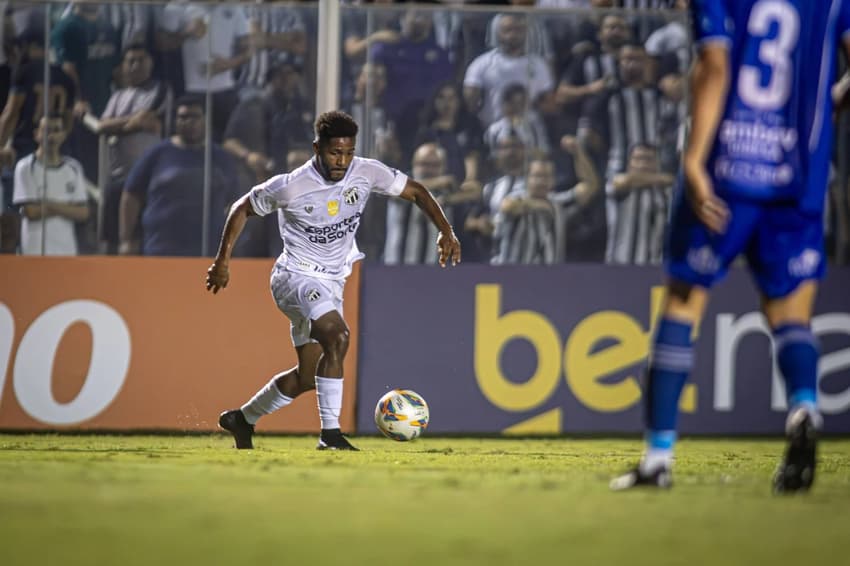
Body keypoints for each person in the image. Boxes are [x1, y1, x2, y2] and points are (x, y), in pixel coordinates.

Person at [611, 0, 850, 493]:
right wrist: (827, 103)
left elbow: (715, 65)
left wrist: (696, 159)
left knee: (683, 302)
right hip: (800, 173)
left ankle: (657, 459)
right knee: (789, 315)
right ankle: (805, 406)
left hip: (729, 165)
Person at [207, 111, 461, 451]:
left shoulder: (367, 172)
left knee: (308, 376)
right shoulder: (291, 185)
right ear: (317, 148)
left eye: (348, 152)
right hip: (294, 276)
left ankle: (243, 418)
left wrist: (446, 231)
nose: (341, 160)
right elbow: (242, 208)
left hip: (332, 281)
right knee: (338, 336)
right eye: (333, 153)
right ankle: (330, 436)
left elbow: (415, 191)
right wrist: (222, 260)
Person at [12, 115, 89, 255]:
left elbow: (83, 213)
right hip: (34, 251)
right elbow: (31, 212)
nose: (52, 136)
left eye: (56, 130)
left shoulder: (74, 168)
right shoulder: (25, 167)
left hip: (67, 252)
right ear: (37, 134)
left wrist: (46, 205)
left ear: (64, 135)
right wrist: (68, 208)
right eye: (46, 130)